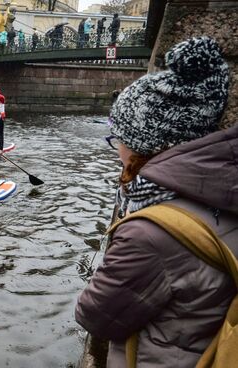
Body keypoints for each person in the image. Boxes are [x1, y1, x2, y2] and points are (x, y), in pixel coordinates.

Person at [75, 37, 234, 367]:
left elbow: (95, 315)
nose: (115, 146)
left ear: (145, 144)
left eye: (118, 137)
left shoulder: (149, 232)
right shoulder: (221, 190)